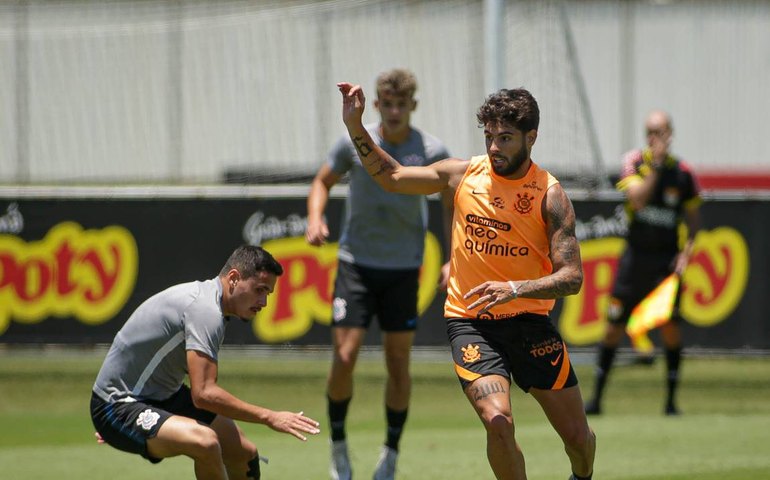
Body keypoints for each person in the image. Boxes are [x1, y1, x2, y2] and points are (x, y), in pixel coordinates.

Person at [335, 81, 595, 480]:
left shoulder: (550, 195)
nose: (494, 147)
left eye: (505, 138)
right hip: (470, 322)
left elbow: (572, 277)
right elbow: (393, 177)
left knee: (578, 439)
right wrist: (356, 127)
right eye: (489, 136)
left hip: (530, 325)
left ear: (531, 137)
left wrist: (514, 289)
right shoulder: (462, 175)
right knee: (498, 421)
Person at [306, 68, 451, 480]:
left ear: (412, 106)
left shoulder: (431, 149)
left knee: (398, 362)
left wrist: (452, 255)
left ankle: (389, 454)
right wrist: (315, 217)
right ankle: (338, 447)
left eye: (400, 104)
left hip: (405, 268)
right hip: (356, 264)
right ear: (378, 103)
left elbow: (450, 201)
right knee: (345, 355)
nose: (391, 111)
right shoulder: (356, 141)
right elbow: (322, 181)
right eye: (385, 103)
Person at [90, 245, 321, 480]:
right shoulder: (206, 310)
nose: (263, 302)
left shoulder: (212, 302)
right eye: (259, 289)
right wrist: (269, 416)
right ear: (233, 278)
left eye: (268, 293)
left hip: (162, 396)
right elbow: (204, 394)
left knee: (244, 454)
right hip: (117, 404)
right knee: (206, 441)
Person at [584, 110, 702, 416]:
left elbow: (693, 220)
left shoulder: (684, 174)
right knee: (613, 327)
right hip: (635, 260)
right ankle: (596, 399)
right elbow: (638, 200)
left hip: (665, 264)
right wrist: (656, 168)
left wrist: (685, 254)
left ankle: (671, 402)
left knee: (670, 329)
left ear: (671, 133)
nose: (655, 137)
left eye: (661, 132)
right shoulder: (634, 163)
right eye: (650, 132)